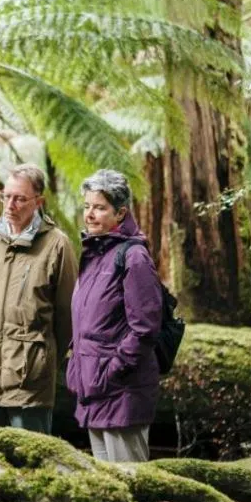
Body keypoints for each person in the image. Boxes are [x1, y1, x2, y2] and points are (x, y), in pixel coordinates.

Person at [0, 164, 77, 434]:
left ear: (39, 202)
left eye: (20, 198)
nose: (10, 204)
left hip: (29, 381)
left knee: (31, 464)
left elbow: (68, 316)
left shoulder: (57, 245)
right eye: (6, 196)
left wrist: (43, 357)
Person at [67, 169, 162, 462]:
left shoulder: (133, 257)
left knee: (132, 484)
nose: (90, 215)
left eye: (99, 207)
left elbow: (145, 327)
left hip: (122, 391)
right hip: (94, 389)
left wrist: (113, 369)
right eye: (87, 206)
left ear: (120, 214)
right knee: (108, 488)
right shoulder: (95, 254)